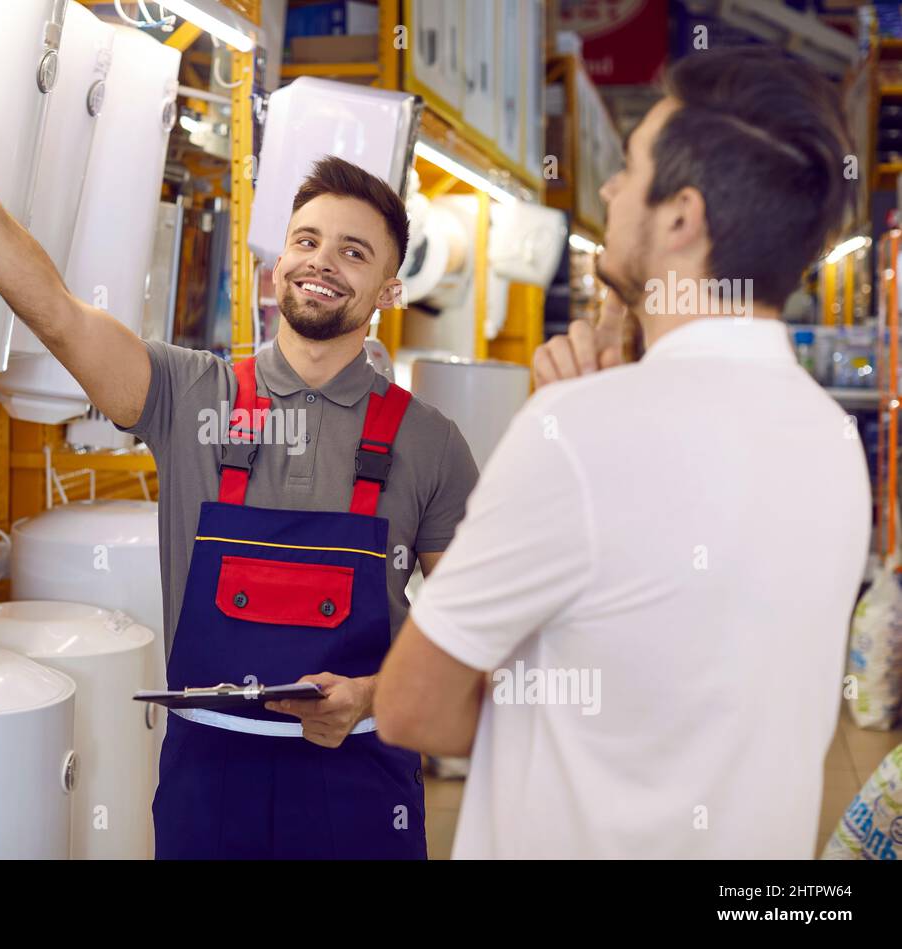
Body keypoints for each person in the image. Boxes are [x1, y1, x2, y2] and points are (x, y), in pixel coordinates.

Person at [0, 49, 478, 859]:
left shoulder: (428, 441)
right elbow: (53, 312)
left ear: (387, 291)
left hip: (360, 782)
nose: (321, 263)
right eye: (306, 240)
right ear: (276, 265)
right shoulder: (190, 394)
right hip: (208, 783)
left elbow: (475, 624)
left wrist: (375, 692)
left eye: (354, 252)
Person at [373, 47, 871, 859]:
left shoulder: (577, 432)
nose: (607, 190)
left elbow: (410, 706)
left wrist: (575, 414)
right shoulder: (833, 439)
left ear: (681, 217)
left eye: (629, 170)